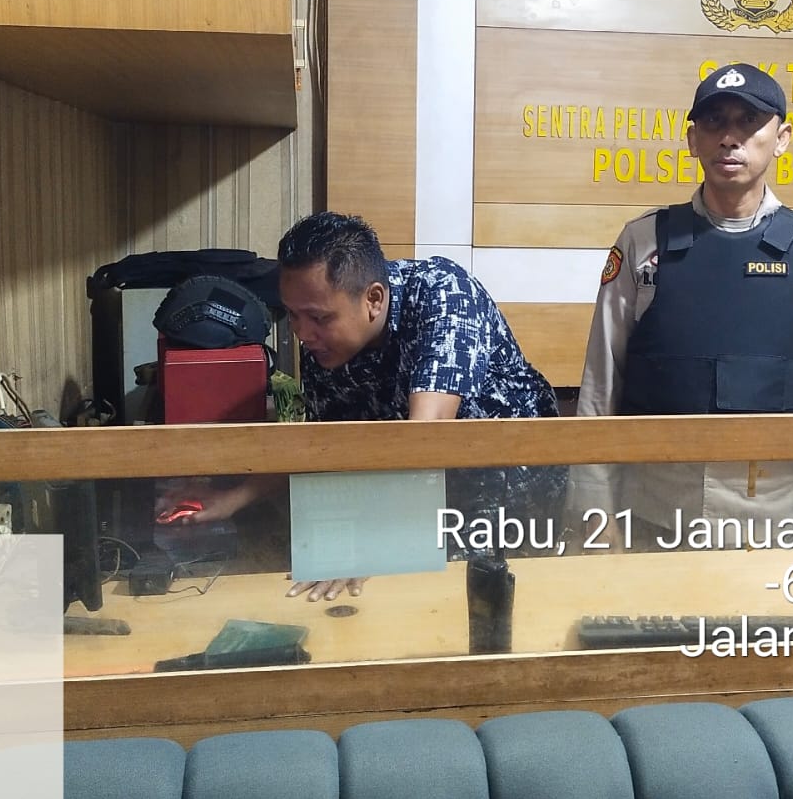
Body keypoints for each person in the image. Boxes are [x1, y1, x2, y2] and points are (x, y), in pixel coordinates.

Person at [161, 211, 565, 598]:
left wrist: (370, 545)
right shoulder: (325, 346)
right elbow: (327, 451)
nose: (302, 333)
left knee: (490, 612)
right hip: (413, 496)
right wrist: (235, 497)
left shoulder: (445, 294)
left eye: (318, 318)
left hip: (512, 491)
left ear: (373, 299)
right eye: (293, 315)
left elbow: (428, 438)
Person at [575, 63, 793, 544]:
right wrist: (595, 518)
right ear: (693, 140)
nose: (730, 138)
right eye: (714, 122)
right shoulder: (643, 243)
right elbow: (601, 389)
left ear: (782, 138)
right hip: (652, 521)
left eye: (749, 122)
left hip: (772, 530)